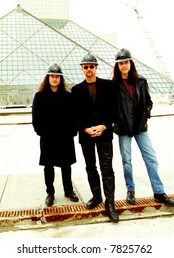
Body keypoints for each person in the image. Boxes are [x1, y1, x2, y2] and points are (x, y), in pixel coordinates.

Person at [112, 48, 174, 206]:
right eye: (121, 63)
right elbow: (112, 108)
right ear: (117, 66)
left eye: (126, 62)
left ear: (130, 63)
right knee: (127, 161)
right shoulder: (114, 85)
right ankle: (131, 190)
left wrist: (145, 116)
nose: (124, 65)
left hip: (141, 127)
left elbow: (148, 102)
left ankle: (159, 192)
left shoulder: (141, 81)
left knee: (151, 159)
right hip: (124, 129)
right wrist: (117, 123)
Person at [71, 52, 119, 223]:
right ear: (82, 69)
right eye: (86, 67)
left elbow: (114, 110)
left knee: (107, 168)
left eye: (91, 66)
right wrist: (85, 129)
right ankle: (97, 196)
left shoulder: (108, 86)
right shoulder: (76, 90)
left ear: (96, 67)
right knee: (91, 167)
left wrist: (104, 125)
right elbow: (74, 115)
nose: (89, 69)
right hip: (86, 136)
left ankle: (110, 203)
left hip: (104, 133)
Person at [32, 63, 79, 207]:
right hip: (48, 138)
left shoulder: (68, 96)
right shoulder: (39, 96)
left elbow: (74, 117)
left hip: (65, 137)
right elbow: (36, 118)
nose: (55, 79)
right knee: (48, 166)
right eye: (52, 76)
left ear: (60, 79)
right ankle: (50, 192)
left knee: (66, 165)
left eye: (57, 76)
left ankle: (68, 190)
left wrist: (72, 132)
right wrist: (41, 132)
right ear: (48, 78)